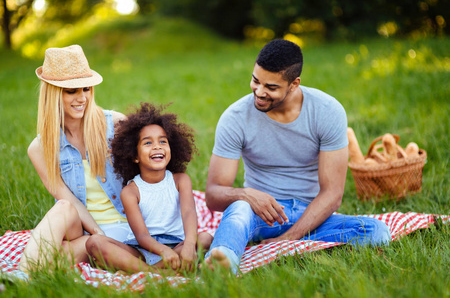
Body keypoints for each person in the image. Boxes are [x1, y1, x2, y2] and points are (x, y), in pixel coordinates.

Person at [204, 39, 391, 274]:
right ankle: (223, 261)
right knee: (239, 209)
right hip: (258, 215)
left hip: (312, 215)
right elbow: (213, 195)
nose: (259, 92)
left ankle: (290, 243)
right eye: (255, 80)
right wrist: (247, 195)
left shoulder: (327, 112)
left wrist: (289, 238)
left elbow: (332, 195)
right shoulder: (235, 118)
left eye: (271, 87)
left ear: (294, 84)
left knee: (377, 231)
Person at [19, 45, 130, 273]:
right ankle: (21, 277)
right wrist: (99, 236)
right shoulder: (40, 147)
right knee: (63, 207)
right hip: (88, 232)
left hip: (128, 225)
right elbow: (65, 197)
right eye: (71, 91)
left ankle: (24, 275)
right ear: (53, 93)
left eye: (86, 89)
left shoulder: (116, 125)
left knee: (49, 262)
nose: (82, 98)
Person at [85, 103, 213, 273]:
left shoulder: (181, 180)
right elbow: (142, 235)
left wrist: (189, 245)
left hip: (178, 246)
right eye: (148, 143)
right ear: (135, 156)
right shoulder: (130, 191)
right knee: (94, 243)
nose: (157, 146)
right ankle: (156, 272)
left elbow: (189, 213)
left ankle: (143, 271)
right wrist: (163, 251)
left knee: (205, 238)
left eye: (162, 141)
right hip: (143, 250)